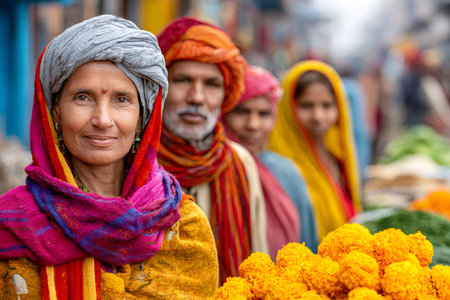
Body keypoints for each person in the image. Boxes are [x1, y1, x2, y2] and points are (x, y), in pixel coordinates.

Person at [0, 15, 218, 299]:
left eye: (121, 100)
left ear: (144, 118)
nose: (102, 120)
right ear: (54, 113)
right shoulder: (14, 224)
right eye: (82, 97)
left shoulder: (184, 228)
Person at [157, 17, 268, 282]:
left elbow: (257, 260)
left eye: (211, 84)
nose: (197, 97)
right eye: (184, 80)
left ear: (225, 93)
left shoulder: (240, 162)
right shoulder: (133, 161)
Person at [223, 65, 319, 254]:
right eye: (242, 111)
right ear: (223, 115)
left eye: (264, 114)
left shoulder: (286, 173)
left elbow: (307, 249)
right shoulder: (210, 175)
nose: (253, 125)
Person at [269, 60, 361, 240]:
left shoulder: (338, 157)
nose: (318, 117)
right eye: (306, 106)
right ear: (288, 109)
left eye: (326, 106)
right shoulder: (280, 169)